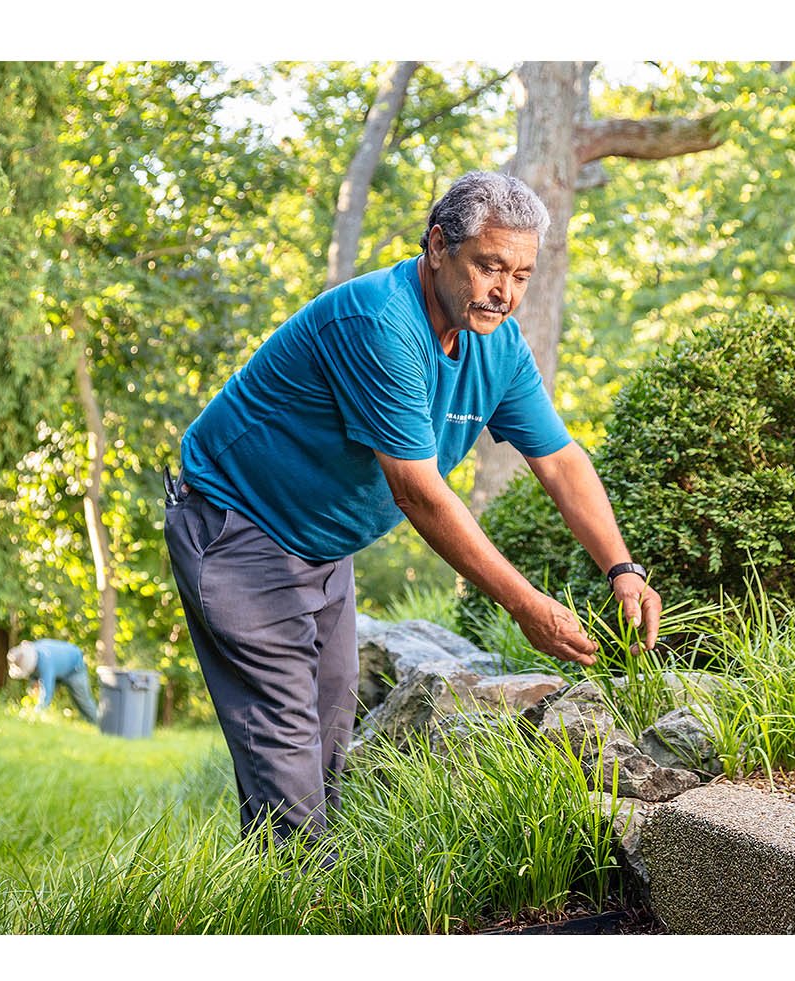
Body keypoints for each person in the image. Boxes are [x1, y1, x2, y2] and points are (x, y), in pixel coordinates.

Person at [163, 170, 661, 857]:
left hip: (322, 546)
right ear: (437, 247)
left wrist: (622, 567)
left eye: (520, 274)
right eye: (489, 265)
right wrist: (525, 604)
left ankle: (298, 894)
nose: (504, 291)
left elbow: (562, 459)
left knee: (330, 730)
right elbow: (418, 492)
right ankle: (295, 910)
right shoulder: (381, 323)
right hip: (237, 528)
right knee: (286, 750)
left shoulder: (497, 345)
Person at [6, 638, 99, 724]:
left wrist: (37, 713)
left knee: (83, 701)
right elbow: (34, 680)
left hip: (75, 668)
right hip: (60, 669)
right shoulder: (34, 655)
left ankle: (99, 725)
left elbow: (47, 692)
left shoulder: (45, 661)